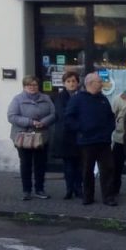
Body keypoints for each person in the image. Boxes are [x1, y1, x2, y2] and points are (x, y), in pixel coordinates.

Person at [65, 72, 116, 206]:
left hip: (103, 141)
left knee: (108, 169)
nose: (101, 84)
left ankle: (108, 196)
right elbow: (69, 117)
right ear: (90, 84)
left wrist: (110, 129)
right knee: (87, 170)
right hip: (86, 141)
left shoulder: (103, 99)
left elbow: (111, 117)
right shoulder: (77, 99)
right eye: (99, 81)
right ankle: (88, 196)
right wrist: (81, 128)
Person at [7, 75, 55, 200]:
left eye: (35, 85)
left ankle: (40, 189)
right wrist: (30, 122)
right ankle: (26, 190)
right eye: (29, 85)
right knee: (26, 164)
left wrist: (43, 122)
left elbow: (53, 114)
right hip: (23, 137)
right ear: (24, 87)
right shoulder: (17, 99)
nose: (32, 87)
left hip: (42, 136)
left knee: (40, 164)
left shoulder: (46, 98)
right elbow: (12, 116)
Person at [51, 69, 82, 200]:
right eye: (68, 81)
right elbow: (63, 114)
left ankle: (78, 188)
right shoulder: (59, 97)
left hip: (80, 135)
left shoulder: (82, 96)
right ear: (64, 83)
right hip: (65, 135)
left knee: (79, 165)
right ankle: (69, 188)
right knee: (68, 165)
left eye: (73, 81)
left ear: (78, 83)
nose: (71, 84)